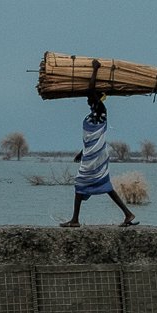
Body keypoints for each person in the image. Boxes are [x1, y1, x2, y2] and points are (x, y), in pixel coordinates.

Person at [63, 94, 137, 227]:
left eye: (89, 98)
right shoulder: (94, 115)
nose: (87, 100)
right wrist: (82, 152)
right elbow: (92, 138)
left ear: (96, 98)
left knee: (81, 183)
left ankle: (75, 220)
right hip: (94, 154)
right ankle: (127, 213)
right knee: (104, 184)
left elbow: (92, 91)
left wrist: (95, 73)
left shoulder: (101, 111)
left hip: (96, 156)